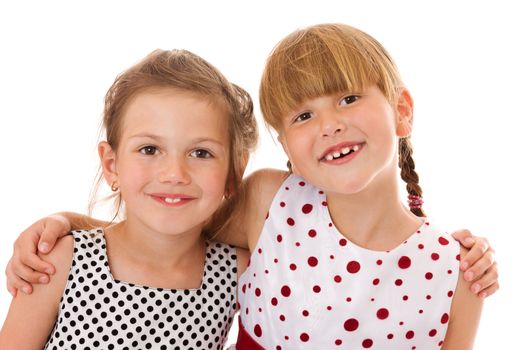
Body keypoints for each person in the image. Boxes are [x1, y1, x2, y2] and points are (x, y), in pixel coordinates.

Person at [5, 23, 497, 349]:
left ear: (402, 111)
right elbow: (166, 231)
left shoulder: (458, 272)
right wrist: (66, 223)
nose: (329, 124)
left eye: (348, 97)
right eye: (304, 114)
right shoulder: (270, 203)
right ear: (288, 147)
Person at [0, 48, 257, 349]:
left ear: (234, 171)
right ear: (112, 165)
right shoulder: (62, 262)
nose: (174, 174)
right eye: (149, 149)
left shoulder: (240, 273)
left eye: (201, 153)